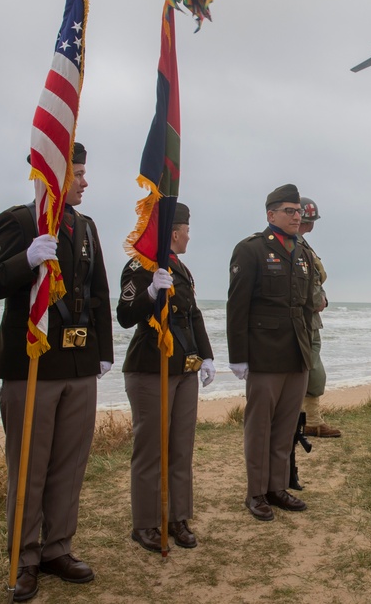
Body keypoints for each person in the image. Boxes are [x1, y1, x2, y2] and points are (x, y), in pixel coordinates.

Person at [0, 143, 113, 602]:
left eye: (83, 173)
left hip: (77, 362)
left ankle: (57, 548)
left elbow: (98, 294)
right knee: (29, 469)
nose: (84, 182)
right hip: (32, 363)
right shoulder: (18, 222)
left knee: (69, 466)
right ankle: (25, 556)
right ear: (52, 176)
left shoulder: (85, 227)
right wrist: (27, 260)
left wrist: (103, 352)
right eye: (76, 174)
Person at [116, 202, 216, 553]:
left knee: (180, 449)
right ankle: (145, 523)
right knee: (151, 451)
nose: (189, 235)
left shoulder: (181, 269)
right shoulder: (142, 266)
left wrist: (206, 356)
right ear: (174, 232)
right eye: (186, 229)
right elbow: (125, 315)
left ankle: (177, 517)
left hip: (183, 368)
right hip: (150, 367)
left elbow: (194, 317)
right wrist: (149, 293)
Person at [226, 184, 314, 521]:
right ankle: (256, 492)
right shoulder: (251, 250)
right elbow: (237, 306)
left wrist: (307, 350)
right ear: (271, 214)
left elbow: (305, 307)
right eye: (290, 211)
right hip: (265, 354)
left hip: (296, 354)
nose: (297, 215)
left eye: (298, 211)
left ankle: (278, 487)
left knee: (285, 427)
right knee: (260, 428)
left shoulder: (302, 253)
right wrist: (239, 356)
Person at [297, 197, 340, 438]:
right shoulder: (298, 246)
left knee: (313, 372)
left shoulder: (303, 245)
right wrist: (318, 300)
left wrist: (320, 298)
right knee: (310, 371)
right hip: (303, 319)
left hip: (310, 319)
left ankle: (311, 419)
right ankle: (308, 420)